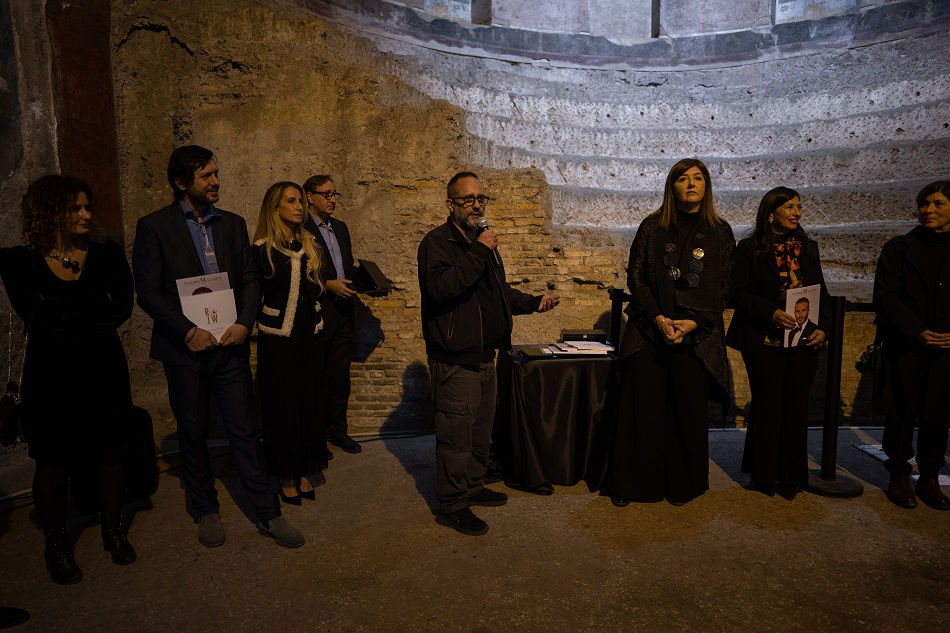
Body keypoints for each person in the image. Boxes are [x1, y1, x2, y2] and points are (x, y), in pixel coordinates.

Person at [132, 146, 304, 547]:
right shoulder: (154, 226)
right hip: (185, 349)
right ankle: (205, 508)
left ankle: (268, 512)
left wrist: (245, 321)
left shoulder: (233, 224)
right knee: (192, 432)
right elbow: (149, 291)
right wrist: (185, 330)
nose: (216, 182)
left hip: (230, 345)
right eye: (207, 176)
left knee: (244, 429)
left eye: (216, 174)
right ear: (181, 183)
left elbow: (249, 278)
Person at [0, 175, 136, 584]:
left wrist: (65, 309)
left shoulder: (108, 254)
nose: (86, 215)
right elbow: (36, 317)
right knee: (54, 461)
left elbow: (122, 309)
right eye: (76, 207)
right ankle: (56, 545)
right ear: (50, 211)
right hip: (51, 374)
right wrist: (95, 301)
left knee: (110, 451)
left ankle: (113, 530)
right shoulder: (19, 261)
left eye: (88, 207)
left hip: (103, 368)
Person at [418, 171, 560, 535]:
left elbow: (499, 294)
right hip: (455, 360)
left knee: (479, 433)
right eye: (468, 200)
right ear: (450, 204)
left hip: (486, 356)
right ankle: (451, 505)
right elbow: (443, 288)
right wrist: (481, 249)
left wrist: (532, 302)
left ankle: (471, 485)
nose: (477, 204)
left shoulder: (485, 246)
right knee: (455, 437)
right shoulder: (437, 243)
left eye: (481, 198)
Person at [605, 158, 735, 507]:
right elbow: (636, 278)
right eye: (682, 179)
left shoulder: (720, 231)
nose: (691, 184)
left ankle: (681, 484)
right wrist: (660, 319)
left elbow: (724, 287)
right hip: (650, 328)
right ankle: (632, 484)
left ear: (706, 186)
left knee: (686, 411)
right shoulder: (652, 226)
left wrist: (695, 322)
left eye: (698, 178)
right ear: (671, 186)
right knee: (641, 408)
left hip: (697, 333)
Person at [725, 187, 829, 500]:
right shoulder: (749, 248)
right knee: (769, 405)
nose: (797, 212)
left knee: (797, 407)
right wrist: (770, 312)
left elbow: (820, 292)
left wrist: (823, 329)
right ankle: (764, 476)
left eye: (799, 207)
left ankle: (792, 477)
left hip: (803, 339)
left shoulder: (808, 247)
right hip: (764, 339)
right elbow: (737, 293)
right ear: (771, 213)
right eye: (789, 207)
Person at [873, 180, 950, 511]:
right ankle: (899, 474)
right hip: (907, 345)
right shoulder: (899, 247)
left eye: (937, 204)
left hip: (947, 348)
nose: (928, 210)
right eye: (924, 204)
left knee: (939, 413)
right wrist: (916, 331)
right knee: (901, 412)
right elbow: (887, 296)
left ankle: (930, 477)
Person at [253, 182, 329, 504]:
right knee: (282, 404)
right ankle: (284, 471)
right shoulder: (262, 249)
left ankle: (302, 468)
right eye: (291, 201)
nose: (299, 206)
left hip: (308, 336)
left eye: (300, 201)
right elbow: (251, 293)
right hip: (278, 340)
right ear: (276, 208)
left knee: (308, 402)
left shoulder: (309, 244)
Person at [302, 175, 361, 455]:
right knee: (314, 377)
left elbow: (346, 268)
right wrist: (327, 286)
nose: (333, 199)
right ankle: (313, 436)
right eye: (326, 194)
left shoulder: (340, 228)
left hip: (343, 312)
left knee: (339, 376)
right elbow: (297, 275)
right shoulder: (299, 229)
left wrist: (369, 282)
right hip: (316, 311)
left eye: (335, 194)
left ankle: (337, 430)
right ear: (310, 196)